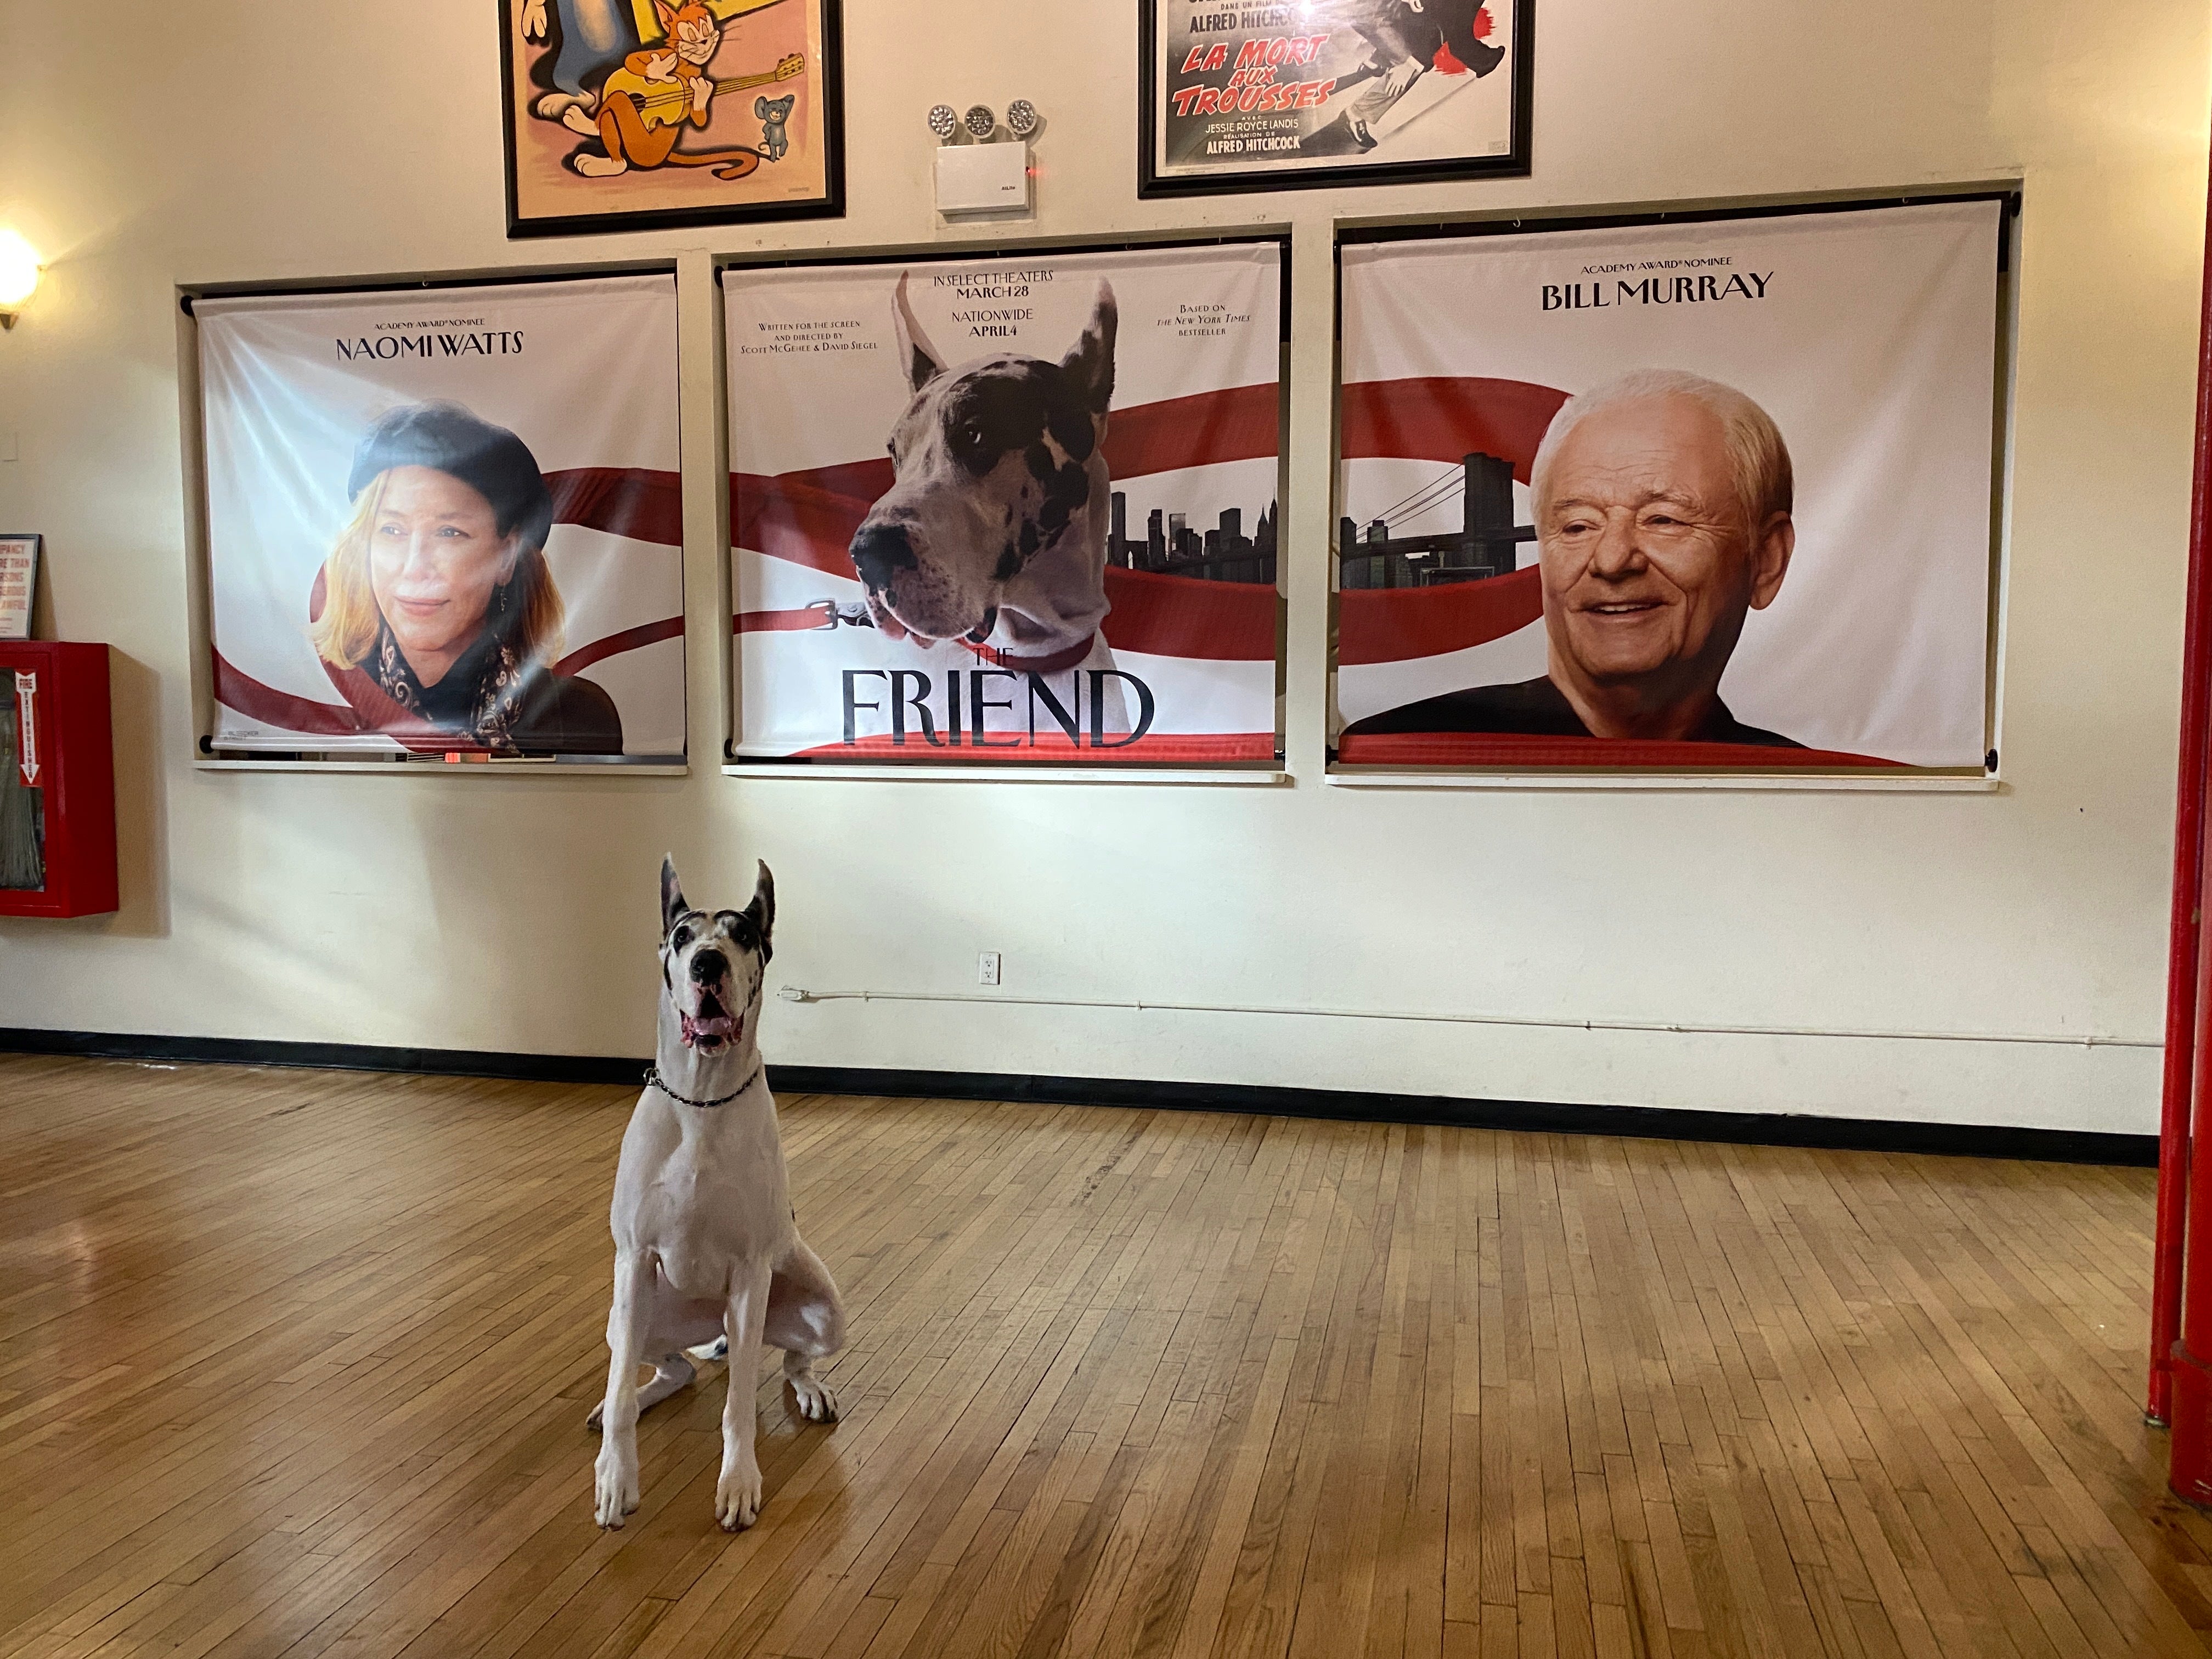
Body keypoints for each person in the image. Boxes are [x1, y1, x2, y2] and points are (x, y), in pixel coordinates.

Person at [1345, 368, 1802, 746]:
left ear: (1766, 560)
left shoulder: (1812, 793)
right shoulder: (1401, 756)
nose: (1612, 560)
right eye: (1578, 526)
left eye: (1664, 520)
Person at [312, 402, 622, 755]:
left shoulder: (579, 716)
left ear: (507, 558)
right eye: (392, 529)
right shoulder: (328, 703)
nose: (415, 566)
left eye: (449, 533)